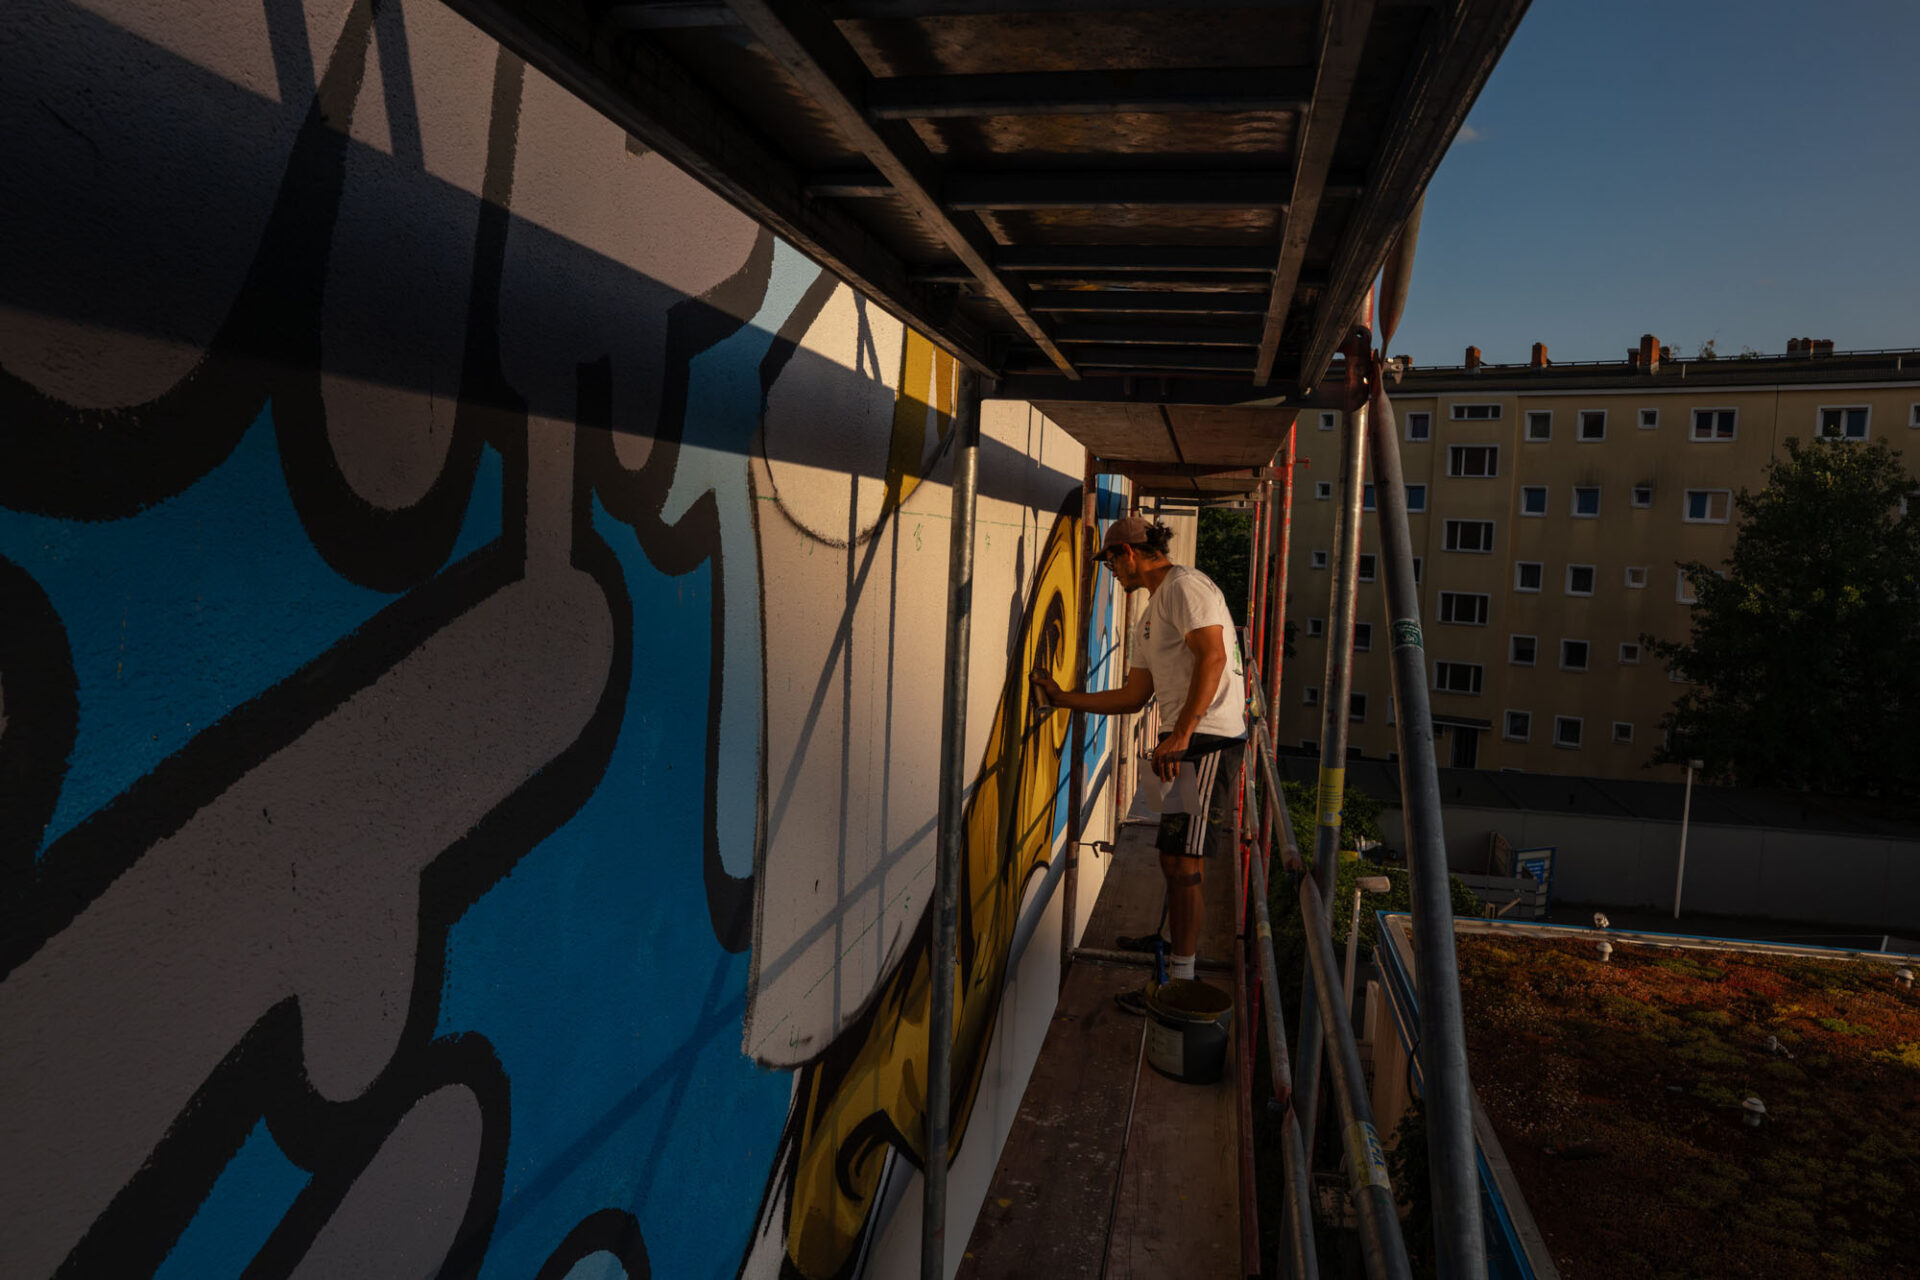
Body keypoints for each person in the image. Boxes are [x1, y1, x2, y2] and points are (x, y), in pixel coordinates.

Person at [1031, 515, 1246, 1006]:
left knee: (1185, 857)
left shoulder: (1185, 587)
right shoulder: (1150, 612)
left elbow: (1212, 657)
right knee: (1172, 854)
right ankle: (1176, 950)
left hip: (1206, 739)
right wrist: (1063, 699)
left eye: (1109, 561)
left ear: (1127, 553)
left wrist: (1184, 734)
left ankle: (1182, 984)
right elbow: (1133, 696)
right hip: (1180, 737)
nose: (1110, 571)